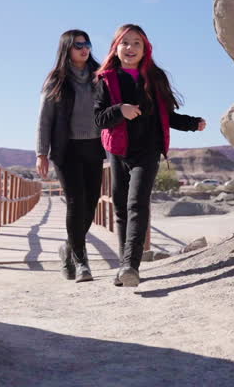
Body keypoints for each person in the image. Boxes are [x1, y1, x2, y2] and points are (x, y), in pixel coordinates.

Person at [94, 24, 205, 287]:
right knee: (121, 208)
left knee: (137, 205)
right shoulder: (106, 79)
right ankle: (125, 266)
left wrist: (192, 123)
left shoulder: (155, 78)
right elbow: (98, 119)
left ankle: (131, 266)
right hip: (118, 151)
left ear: (145, 49)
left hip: (148, 151)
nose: (130, 48)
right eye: (125, 43)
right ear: (116, 47)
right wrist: (120, 109)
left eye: (136, 43)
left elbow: (168, 116)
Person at [36, 29, 105, 283]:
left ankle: (67, 247)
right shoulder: (56, 80)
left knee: (91, 203)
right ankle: (81, 261)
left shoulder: (101, 75)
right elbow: (45, 119)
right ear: (67, 48)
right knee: (76, 203)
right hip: (66, 150)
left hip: (94, 147)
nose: (84, 48)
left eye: (87, 43)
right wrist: (41, 153)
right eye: (78, 45)